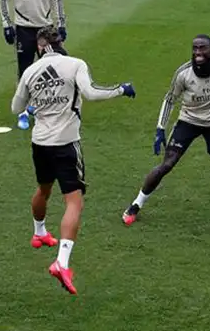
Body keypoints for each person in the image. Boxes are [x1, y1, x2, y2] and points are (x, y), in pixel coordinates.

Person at [11, 27, 135, 295]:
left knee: (44, 188)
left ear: (39, 47)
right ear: (60, 42)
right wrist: (121, 89)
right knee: (74, 201)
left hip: (40, 143)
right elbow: (91, 93)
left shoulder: (30, 71)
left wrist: (37, 105)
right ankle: (62, 262)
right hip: (66, 143)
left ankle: (39, 232)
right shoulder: (75, 64)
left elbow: (16, 108)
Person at [122, 35, 210, 233]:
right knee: (167, 164)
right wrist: (160, 129)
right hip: (188, 121)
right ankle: (135, 205)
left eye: (202, 48)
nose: (198, 52)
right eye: (195, 48)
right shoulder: (184, 73)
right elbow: (170, 99)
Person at [0, 0, 67, 131]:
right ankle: (23, 113)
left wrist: (61, 24)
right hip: (24, 28)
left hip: (46, 28)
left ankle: (48, 110)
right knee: (25, 72)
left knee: (54, 69)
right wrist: (7, 24)